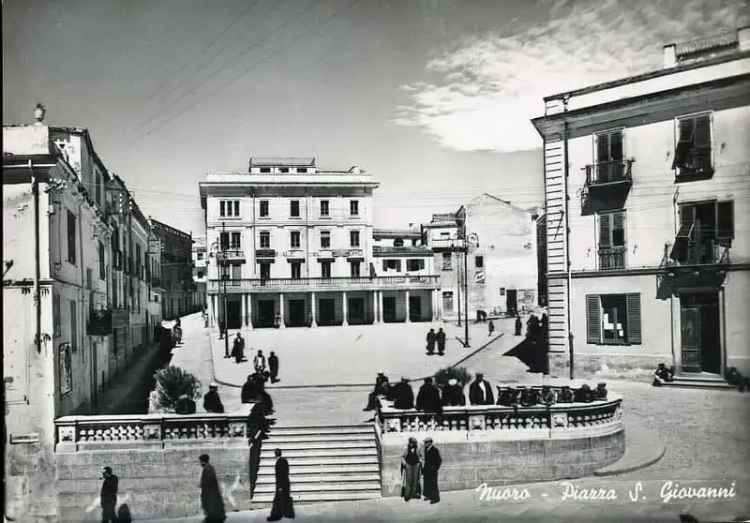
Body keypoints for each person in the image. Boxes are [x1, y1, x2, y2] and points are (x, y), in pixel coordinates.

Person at [267, 449, 294, 521]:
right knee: (282, 500)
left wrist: (280, 486)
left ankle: (276, 516)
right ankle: (287, 514)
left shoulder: (279, 462)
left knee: (277, 501)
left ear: (275, 454)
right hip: (285, 484)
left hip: (281, 485)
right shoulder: (284, 460)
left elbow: (280, 475)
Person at [199, 454, 226, 523]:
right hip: (212, 492)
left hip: (210, 493)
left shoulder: (207, 469)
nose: (200, 463)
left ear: (202, 461)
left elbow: (208, 481)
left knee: (211, 508)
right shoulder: (210, 467)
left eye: (200, 461)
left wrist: (202, 485)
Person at [400, 437, 422, 502]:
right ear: (409, 443)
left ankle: (413, 494)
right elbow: (402, 457)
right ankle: (407, 495)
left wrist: (420, 461)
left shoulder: (418, 448)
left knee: (415, 479)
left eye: (414, 443)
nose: (413, 444)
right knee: (408, 480)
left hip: (416, 465)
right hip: (408, 465)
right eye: (412, 443)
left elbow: (420, 456)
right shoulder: (406, 448)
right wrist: (405, 464)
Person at [422, 437, 442, 504]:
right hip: (427, 469)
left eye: (426, 442)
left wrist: (435, 469)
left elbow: (439, 460)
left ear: (430, 443)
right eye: (425, 442)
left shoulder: (435, 450)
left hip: (432, 470)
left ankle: (435, 498)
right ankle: (428, 495)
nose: (425, 444)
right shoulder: (426, 449)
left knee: (433, 484)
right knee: (427, 483)